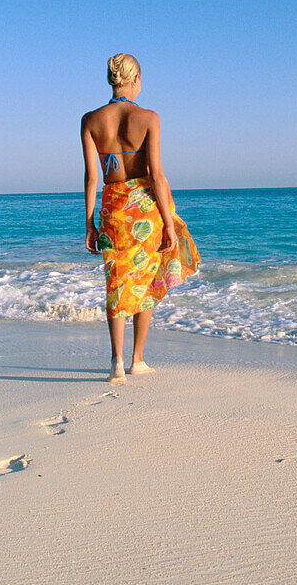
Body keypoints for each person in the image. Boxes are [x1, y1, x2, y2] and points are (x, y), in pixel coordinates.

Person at [82, 53, 200, 383]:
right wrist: (168, 223)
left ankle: (116, 362)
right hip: (145, 206)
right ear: (135, 80)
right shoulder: (148, 117)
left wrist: (89, 222)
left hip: (113, 206)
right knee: (146, 279)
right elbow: (157, 175)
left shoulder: (90, 120)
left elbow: (92, 177)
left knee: (117, 282)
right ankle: (138, 360)